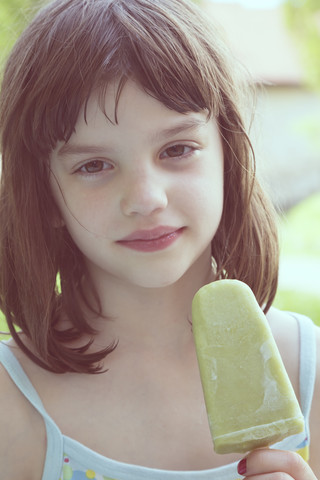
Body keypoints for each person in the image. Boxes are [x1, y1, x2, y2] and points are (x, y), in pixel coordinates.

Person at [0, 0, 319, 478]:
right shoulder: (11, 401)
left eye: (177, 149)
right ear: (44, 195)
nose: (146, 198)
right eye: (93, 165)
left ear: (228, 157)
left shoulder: (307, 371)